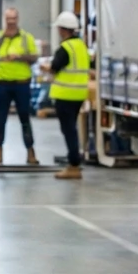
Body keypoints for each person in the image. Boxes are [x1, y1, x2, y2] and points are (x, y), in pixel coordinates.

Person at [0, 6, 40, 166]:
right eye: (8, 19)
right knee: (0, 119)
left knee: (25, 118)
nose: (11, 22)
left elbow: (34, 57)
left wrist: (19, 56)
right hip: (3, 84)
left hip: (22, 85)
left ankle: (30, 152)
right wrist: (3, 38)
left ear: (17, 19)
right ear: (5, 19)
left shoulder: (26, 37)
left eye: (13, 19)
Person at [49, 10, 92, 180]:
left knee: (69, 131)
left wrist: (47, 69)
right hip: (79, 94)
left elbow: (54, 67)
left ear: (63, 29)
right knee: (72, 129)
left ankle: (74, 164)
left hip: (65, 95)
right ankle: (74, 162)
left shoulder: (65, 48)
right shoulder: (81, 46)